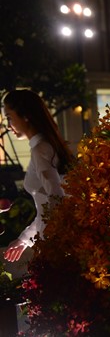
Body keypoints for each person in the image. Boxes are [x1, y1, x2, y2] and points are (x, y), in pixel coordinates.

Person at [2, 89, 74, 262]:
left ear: (25, 116)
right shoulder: (45, 146)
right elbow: (48, 208)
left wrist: (52, 244)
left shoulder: (41, 149)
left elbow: (56, 198)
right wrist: (24, 239)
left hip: (54, 246)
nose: (9, 124)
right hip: (54, 241)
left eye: (10, 117)